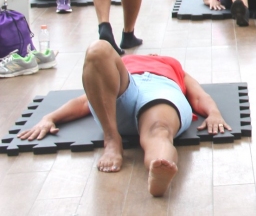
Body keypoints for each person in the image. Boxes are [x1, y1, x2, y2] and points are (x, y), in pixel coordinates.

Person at [16, 41, 231, 197]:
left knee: (159, 131)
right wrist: (49, 118)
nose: (151, 55)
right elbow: (85, 101)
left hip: (161, 89)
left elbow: (198, 95)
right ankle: (112, 140)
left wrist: (214, 113)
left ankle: (159, 168)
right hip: (125, 92)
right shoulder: (122, 63)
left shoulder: (173, 65)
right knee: (98, 49)